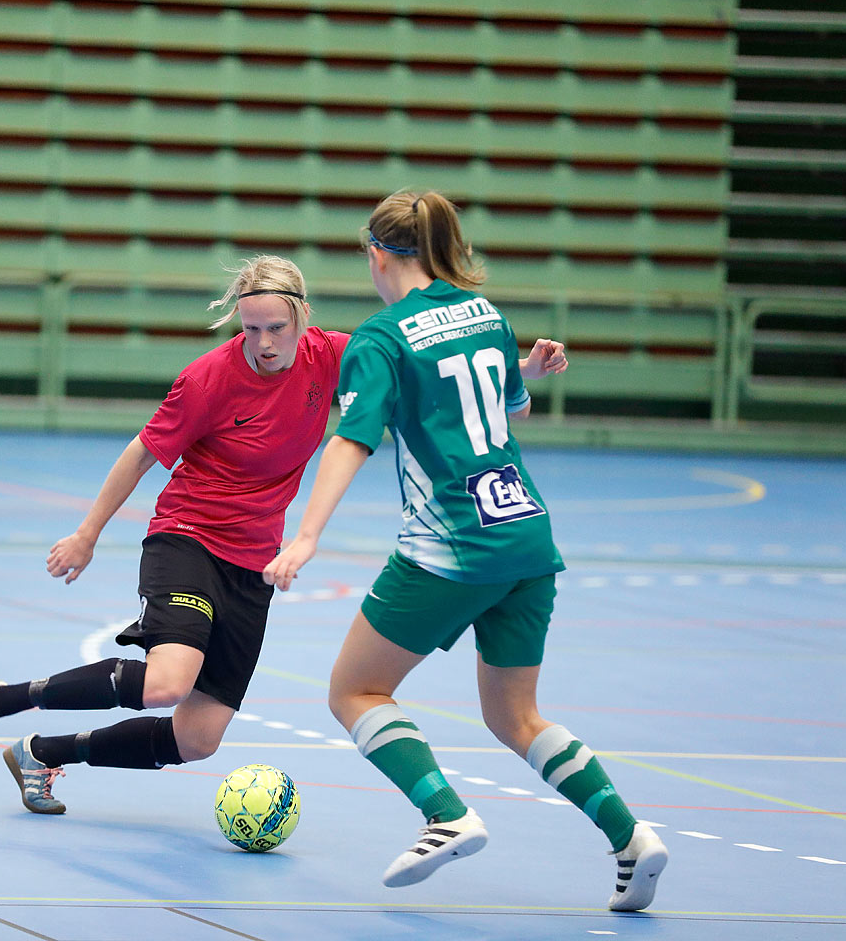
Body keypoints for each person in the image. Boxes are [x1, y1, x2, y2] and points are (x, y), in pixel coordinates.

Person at [262, 190, 667, 912]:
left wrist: (307, 534)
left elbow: (353, 438)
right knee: (517, 717)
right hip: (527, 537)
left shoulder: (381, 339)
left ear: (378, 253)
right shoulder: (486, 316)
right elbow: (512, 406)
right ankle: (632, 840)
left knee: (353, 691)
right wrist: (530, 372)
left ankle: (446, 815)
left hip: (450, 544)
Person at [0, 255, 352, 814]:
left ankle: (41, 754)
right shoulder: (209, 379)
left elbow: (417, 360)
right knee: (169, 681)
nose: (264, 343)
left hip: (253, 563)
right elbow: (141, 454)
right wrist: (87, 534)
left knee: (197, 740)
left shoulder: (332, 356)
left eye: (277, 328)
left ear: (301, 318)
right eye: (251, 329)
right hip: (188, 538)